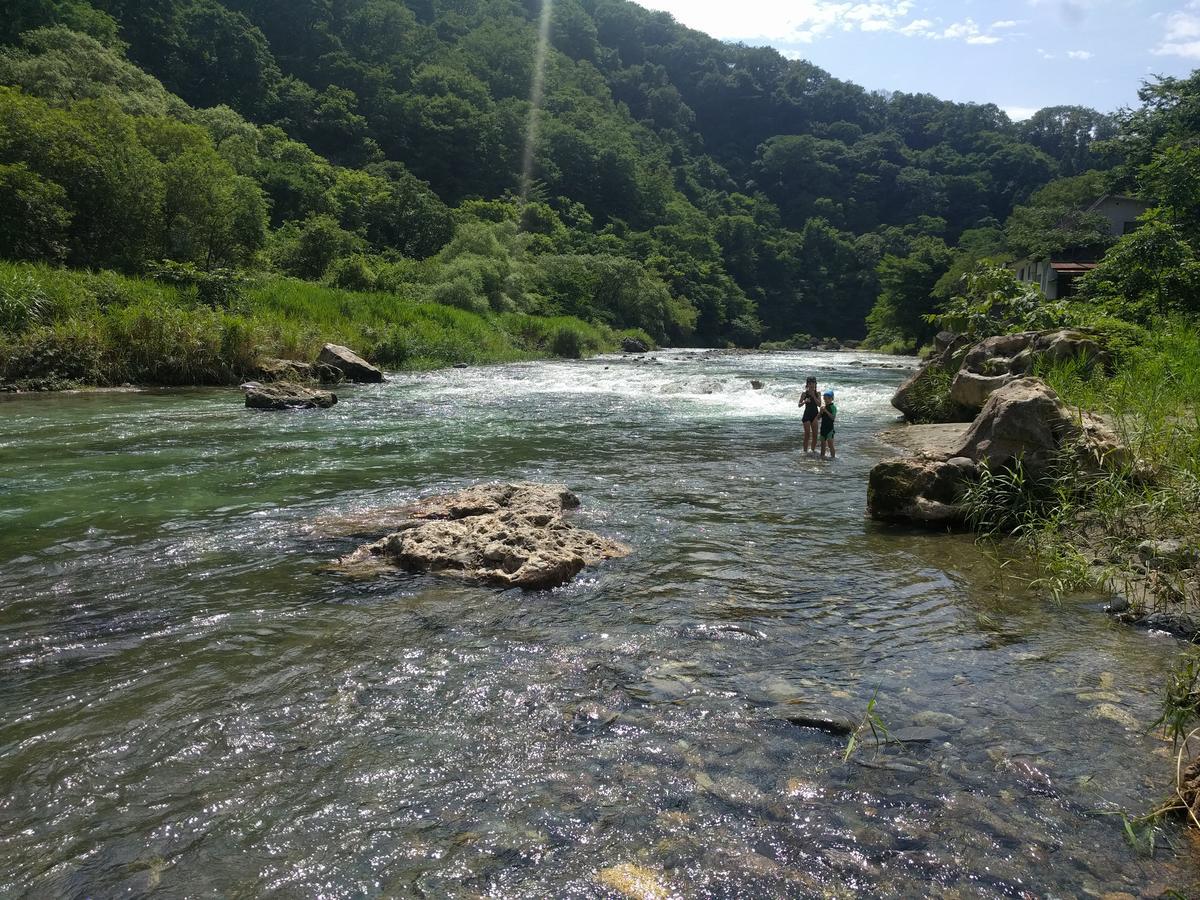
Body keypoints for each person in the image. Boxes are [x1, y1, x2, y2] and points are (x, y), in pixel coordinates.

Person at [799, 376, 821, 453]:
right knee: (807, 435)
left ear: (815, 384)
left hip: (815, 415)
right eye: (810, 383)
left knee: (815, 435)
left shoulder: (818, 393)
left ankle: (812, 451)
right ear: (807, 385)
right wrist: (805, 401)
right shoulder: (804, 394)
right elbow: (799, 405)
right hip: (807, 415)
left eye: (813, 383)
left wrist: (814, 396)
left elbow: (819, 404)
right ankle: (805, 452)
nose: (812, 385)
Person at [819, 389, 837, 459]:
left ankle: (833, 458)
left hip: (830, 428)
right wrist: (820, 412)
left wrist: (826, 411)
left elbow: (833, 418)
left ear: (832, 399)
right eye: (825, 399)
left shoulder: (833, 407)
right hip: (823, 428)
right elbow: (818, 418)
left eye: (828, 398)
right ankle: (822, 457)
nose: (826, 400)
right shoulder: (823, 407)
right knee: (823, 444)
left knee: (830, 444)